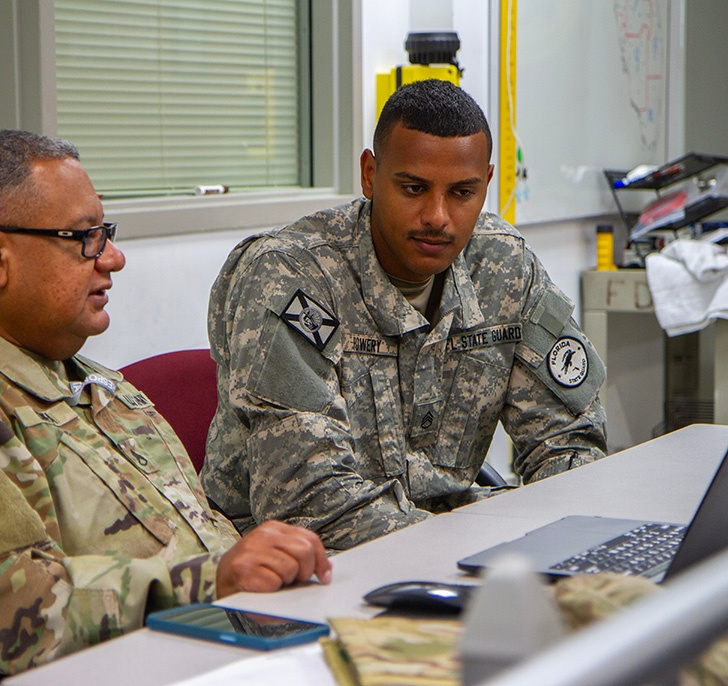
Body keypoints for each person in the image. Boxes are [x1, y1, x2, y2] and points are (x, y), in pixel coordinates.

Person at [0, 130, 331, 686]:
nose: (112, 257)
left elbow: (201, 542)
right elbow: (1, 614)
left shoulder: (94, 385)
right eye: (84, 238)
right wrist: (212, 581)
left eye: (105, 234)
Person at [201, 79, 608, 552]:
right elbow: (308, 503)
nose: (437, 215)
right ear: (370, 174)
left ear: (487, 183)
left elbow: (570, 441)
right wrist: (477, 543)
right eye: (414, 188)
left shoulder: (503, 266)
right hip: (297, 567)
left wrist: (547, 543)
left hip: (449, 549)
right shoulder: (292, 276)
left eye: (462, 192)